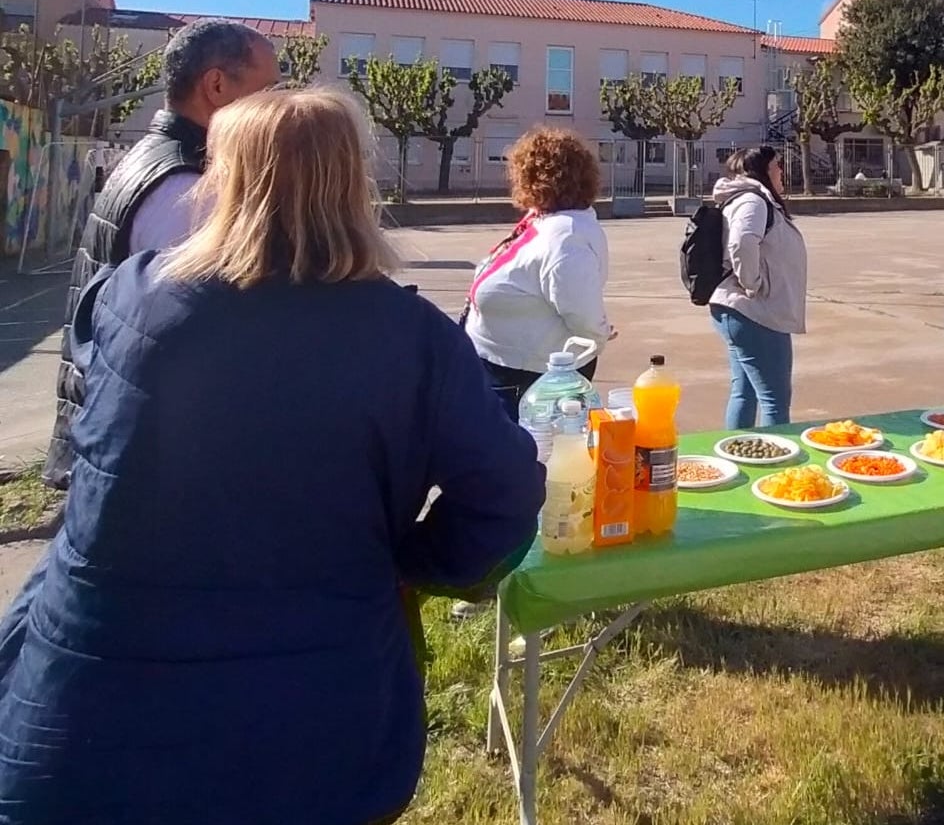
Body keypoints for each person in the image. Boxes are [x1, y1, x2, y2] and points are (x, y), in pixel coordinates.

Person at [0, 88, 545, 825]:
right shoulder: (412, 337)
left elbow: (103, 399)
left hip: (78, 723)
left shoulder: (128, 292)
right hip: (309, 733)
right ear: (354, 183)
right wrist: (416, 563)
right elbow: (506, 496)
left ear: (223, 179)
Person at [42, 18, 280, 490]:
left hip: (109, 435)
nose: (277, 105)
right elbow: (199, 340)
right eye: (268, 90)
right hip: (140, 457)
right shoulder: (190, 190)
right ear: (216, 85)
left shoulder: (155, 158)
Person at [462, 126, 613, 420]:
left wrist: (599, 332)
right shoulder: (546, 220)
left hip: (529, 383)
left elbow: (583, 316)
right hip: (506, 371)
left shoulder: (566, 236)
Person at [709, 145, 807, 429]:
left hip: (742, 311)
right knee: (774, 400)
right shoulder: (753, 201)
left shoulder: (747, 199)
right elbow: (742, 242)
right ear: (762, 170)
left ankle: (736, 448)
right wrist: (751, 283)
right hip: (756, 313)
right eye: (777, 165)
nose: (781, 171)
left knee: (745, 392)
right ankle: (777, 453)